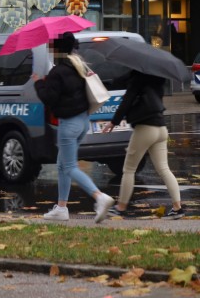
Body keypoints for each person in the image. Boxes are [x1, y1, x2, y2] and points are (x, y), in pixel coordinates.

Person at [32, 31, 114, 223]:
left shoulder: (57, 72)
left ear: (57, 50)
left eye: (51, 47)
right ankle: (61, 208)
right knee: (62, 165)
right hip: (83, 121)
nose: (49, 51)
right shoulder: (78, 66)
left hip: (68, 125)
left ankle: (99, 197)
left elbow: (48, 99)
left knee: (69, 167)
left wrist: (38, 84)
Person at [102, 71, 185, 219]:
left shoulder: (137, 79)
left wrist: (113, 122)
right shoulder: (158, 79)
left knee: (128, 169)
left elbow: (126, 101)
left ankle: (120, 207)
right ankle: (177, 208)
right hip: (161, 128)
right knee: (164, 169)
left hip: (145, 128)